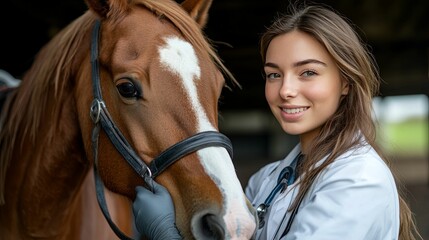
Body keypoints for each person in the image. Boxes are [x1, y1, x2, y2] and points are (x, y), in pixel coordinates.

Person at [132, 4, 421, 240]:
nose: (285, 90)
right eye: (274, 74)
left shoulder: (359, 180)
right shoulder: (267, 180)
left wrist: (165, 235)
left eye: (308, 72)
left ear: (345, 81)